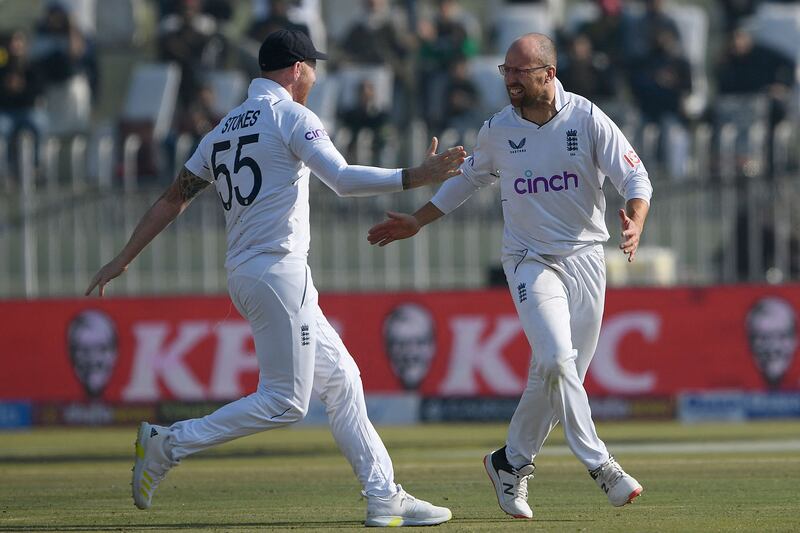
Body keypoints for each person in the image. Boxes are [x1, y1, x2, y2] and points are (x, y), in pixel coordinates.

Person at [85, 29, 465, 527]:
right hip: (278, 271)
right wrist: (416, 176)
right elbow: (343, 178)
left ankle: (383, 496)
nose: (315, 76)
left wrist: (124, 257)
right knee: (286, 402)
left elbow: (173, 198)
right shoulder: (290, 115)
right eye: (313, 67)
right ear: (296, 69)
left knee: (344, 379)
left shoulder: (221, 130)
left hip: (247, 273)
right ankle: (167, 444)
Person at [368, 33, 652, 519]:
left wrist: (635, 219)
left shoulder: (585, 118)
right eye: (506, 71)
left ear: (549, 74)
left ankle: (511, 462)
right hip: (528, 260)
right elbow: (467, 181)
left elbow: (636, 178)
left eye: (520, 72)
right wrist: (418, 219)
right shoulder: (497, 130)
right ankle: (601, 465)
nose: (511, 80)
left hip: (586, 260)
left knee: (557, 375)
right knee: (558, 360)